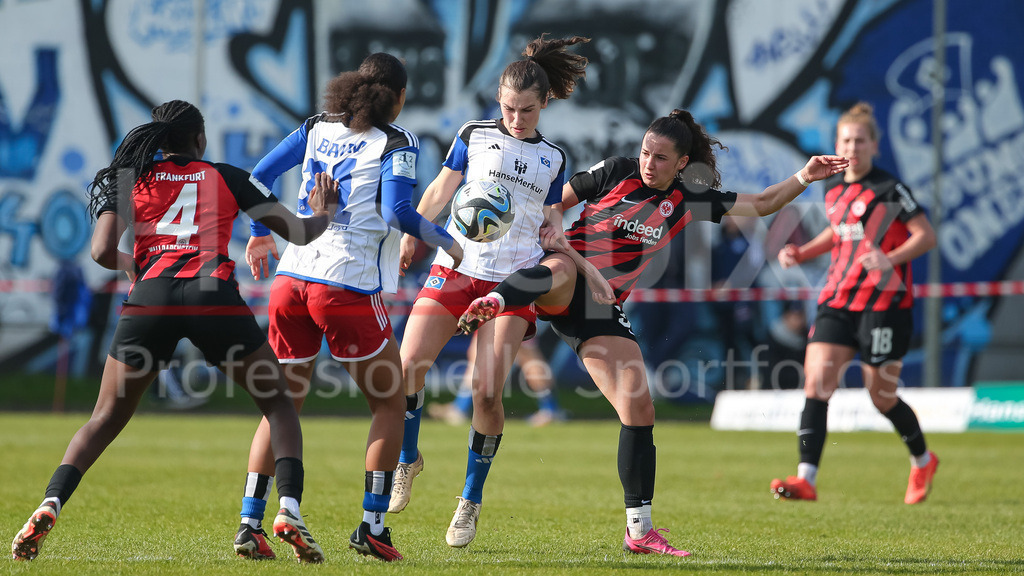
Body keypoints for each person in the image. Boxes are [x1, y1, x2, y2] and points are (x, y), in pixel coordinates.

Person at [456, 109, 849, 556]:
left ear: (682, 163)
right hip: (558, 275)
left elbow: (761, 204)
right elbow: (555, 201)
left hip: (600, 307)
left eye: (661, 157)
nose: (648, 162)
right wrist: (555, 223)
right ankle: (496, 301)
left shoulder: (687, 198)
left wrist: (803, 176)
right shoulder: (615, 171)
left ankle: (639, 531)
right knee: (560, 272)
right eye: (646, 151)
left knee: (639, 406)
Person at [11, 100, 336, 563]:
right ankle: (287, 510)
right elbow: (300, 233)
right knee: (279, 404)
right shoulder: (225, 175)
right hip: (213, 299)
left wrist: (137, 269)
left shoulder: (131, 177)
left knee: (104, 417)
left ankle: (51, 502)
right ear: (199, 139)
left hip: (149, 302)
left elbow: (102, 250)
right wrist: (325, 211)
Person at [234, 53, 462, 562]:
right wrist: (447, 242)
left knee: (282, 405)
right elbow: (396, 210)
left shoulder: (318, 125)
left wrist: (257, 235)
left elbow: (257, 177)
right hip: (347, 287)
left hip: (292, 280)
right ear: (399, 97)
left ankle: (251, 522)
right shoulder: (398, 141)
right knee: (390, 402)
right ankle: (373, 528)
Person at [388, 34, 595, 548]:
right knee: (406, 370)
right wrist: (414, 232)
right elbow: (440, 189)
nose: (516, 118)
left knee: (485, 392)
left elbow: (550, 217)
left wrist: (554, 233)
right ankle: (408, 458)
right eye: (507, 107)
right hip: (457, 266)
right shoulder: (474, 134)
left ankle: (469, 500)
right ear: (497, 101)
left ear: (544, 104)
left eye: (526, 110)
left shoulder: (553, 158)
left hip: (513, 281)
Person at [769, 101, 939, 504]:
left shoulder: (889, 189)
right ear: (837, 143)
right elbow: (838, 233)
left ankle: (923, 460)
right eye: (846, 139)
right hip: (837, 299)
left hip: (884, 303)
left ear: (874, 145)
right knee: (816, 383)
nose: (853, 146)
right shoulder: (834, 188)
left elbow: (926, 236)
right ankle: (805, 477)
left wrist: (889, 257)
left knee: (880, 396)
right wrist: (802, 253)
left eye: (861, 140)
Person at [427, 327, 567, 427]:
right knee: (529, 359)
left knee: (528, 359)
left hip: (504, 306)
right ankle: (551, 409)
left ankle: (459, 409)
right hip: (516, 305)